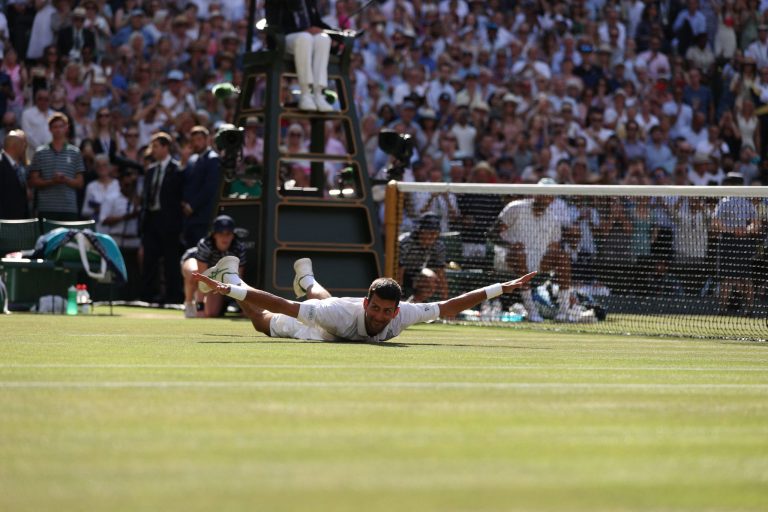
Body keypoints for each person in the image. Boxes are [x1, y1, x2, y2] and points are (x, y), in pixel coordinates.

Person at [192, 256, 536, 342]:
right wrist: (232, 291)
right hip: (318, 331)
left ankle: (307, 278)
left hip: (330, 315)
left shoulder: (403, 315)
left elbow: (448, 307)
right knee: (261, 323)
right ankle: (231, 274)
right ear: (366, 303)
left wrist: (501, 288)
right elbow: (285, 306)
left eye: (389, 311)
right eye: (378, 308)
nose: (382, 316)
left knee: (323, 305)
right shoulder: (342, 312)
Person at [265, 0, 335, 112]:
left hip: (307, 37)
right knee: (304, 38)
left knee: (323, 39)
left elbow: (316, 22)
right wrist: (304, 30)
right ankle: (305, 93)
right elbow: (275, 25)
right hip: (285, 39)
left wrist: (335, 34)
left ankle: (318, 93)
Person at [140, 131, 184, 304]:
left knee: (170, 261)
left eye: (156, 146)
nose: (153, 150)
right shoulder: (151, 170)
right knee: (149, 259)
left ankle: (172, 296)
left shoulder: (177, 169)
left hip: (169, 222)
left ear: (166, 147)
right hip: (152, 219)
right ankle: (147, 296)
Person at [180, 214, 247, 318]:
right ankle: (189, 304)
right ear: (214, 234)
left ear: (233, 235)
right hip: (194, 261)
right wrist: (200, 307)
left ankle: (200, 300)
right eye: (221, 233)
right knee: (194, 274)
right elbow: (201, 277)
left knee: (211, 313)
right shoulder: (205, 245)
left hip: (216, 276)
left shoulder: (239, 248)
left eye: (228, 233)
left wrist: (245, 308)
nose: (224, 237)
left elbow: (238, 280)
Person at [27, 113, 85, 221]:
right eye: (55, 127)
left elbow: (80, 183)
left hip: (69, 208)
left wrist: (65, 180)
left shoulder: (75, 152)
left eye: (61, 126)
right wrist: (52, 182)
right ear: (50, 129)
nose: (58, 130)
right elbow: (33, 181)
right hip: (46, 208)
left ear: (66, 128)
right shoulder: (40, 152)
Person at [181, 125, 221, 249]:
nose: (196, 143)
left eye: (199, 139)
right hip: (190, 217)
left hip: (203, 216)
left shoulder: (213, 159)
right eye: (193, 141)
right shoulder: (192, 159)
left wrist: (192, 206)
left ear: (207, 139)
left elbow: (209, 188)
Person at [397, 212, 448, 301]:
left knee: (431, 279)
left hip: (417, 272)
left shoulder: (438, 245)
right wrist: (397, 296)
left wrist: (446, 300)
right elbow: (399, 270)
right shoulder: (405, 242)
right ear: (420, 230)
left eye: (435, 232)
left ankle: (414, 305)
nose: (432, 236)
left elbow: (440, 272)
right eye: (429, 232)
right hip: (397, 272)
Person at [0, 129, 29, 219]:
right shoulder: (1, 164)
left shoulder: (18, 166)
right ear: (15, 146)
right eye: (23, 145)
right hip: (4, 221)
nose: (24, 148)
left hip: (17, 219)